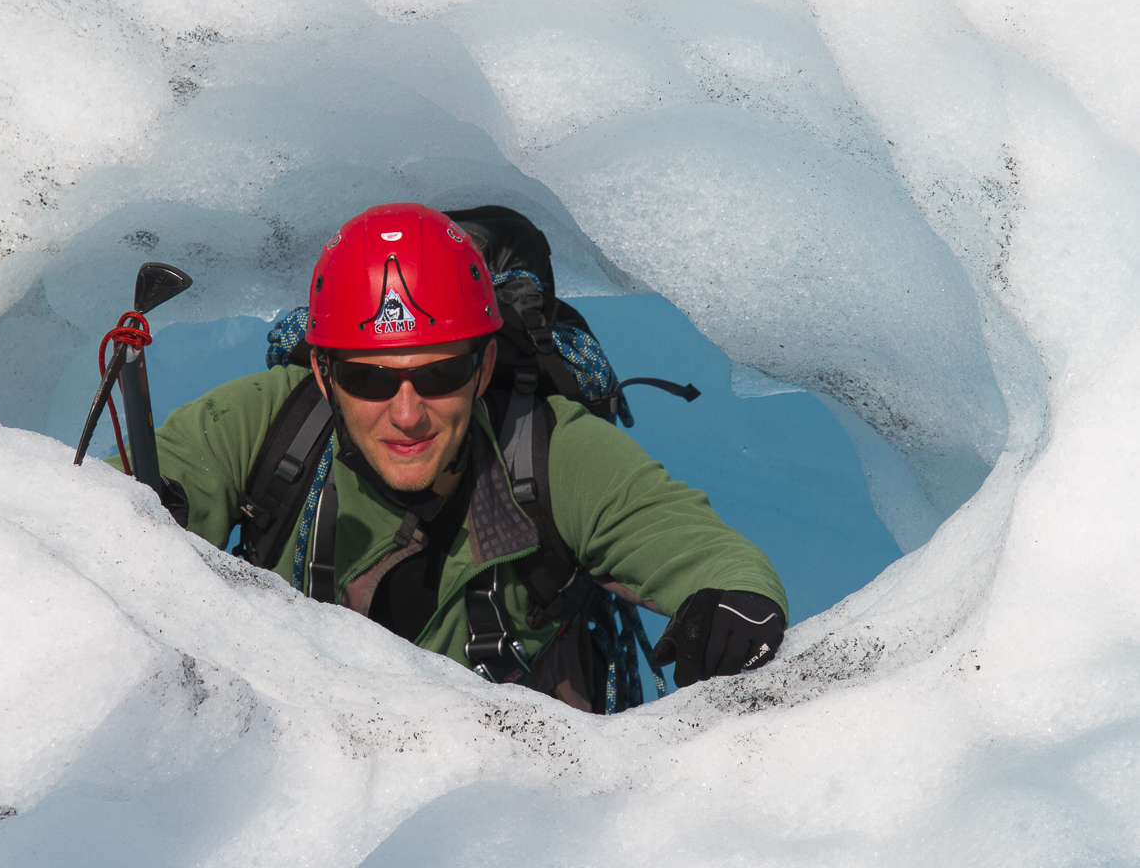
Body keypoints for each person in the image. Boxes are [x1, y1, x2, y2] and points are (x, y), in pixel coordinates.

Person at [139, 202, 787, 712]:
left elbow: (693, 546)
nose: (407, 411)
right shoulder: (266, 420)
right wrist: (132, 520)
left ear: (484, 367)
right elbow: (94, 511)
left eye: (440, 373)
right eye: (370, 378)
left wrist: (735, 601)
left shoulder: (547, 447)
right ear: (323, 371)